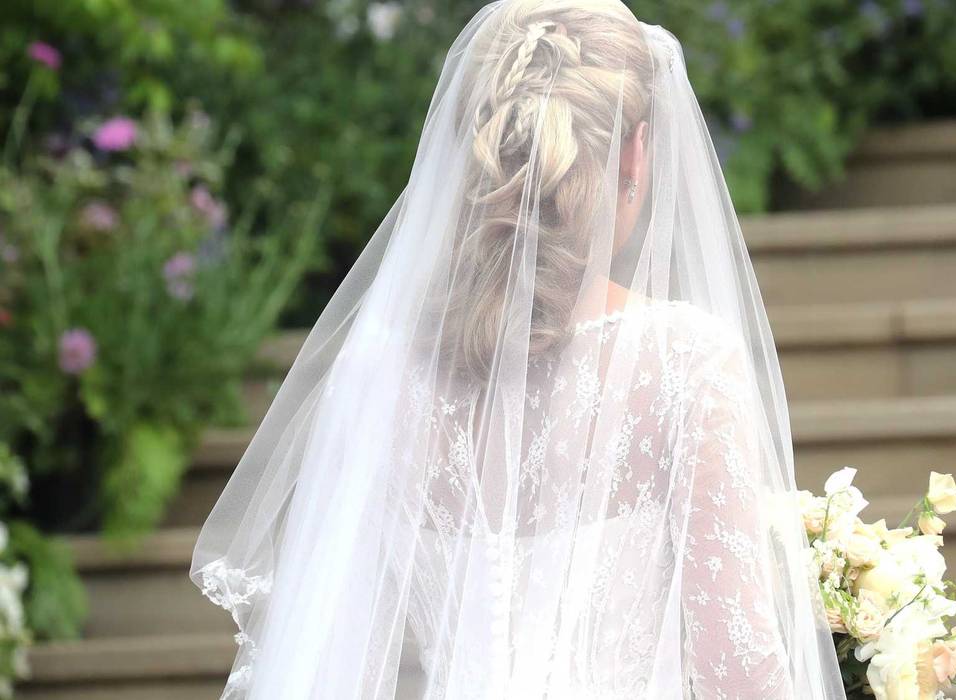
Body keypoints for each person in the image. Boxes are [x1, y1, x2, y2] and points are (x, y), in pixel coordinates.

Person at [191, 1, 846, 698]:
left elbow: (334, 656)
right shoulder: (685, 362)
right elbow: (738, 672)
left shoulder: (377, 371)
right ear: (635, 152)